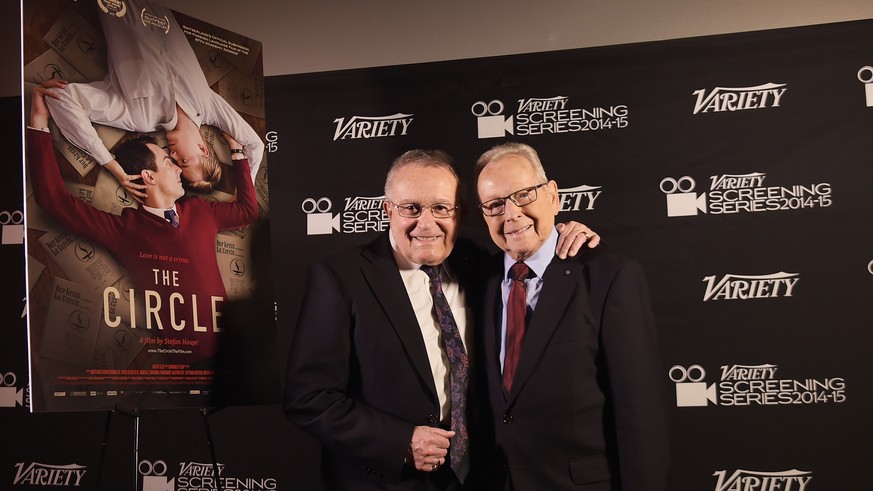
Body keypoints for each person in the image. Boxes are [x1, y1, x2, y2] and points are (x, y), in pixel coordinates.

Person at [283, 149, 599, 490]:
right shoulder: (340, 278)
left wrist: (562, 232)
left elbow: (532, 248)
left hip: (481, 479)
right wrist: (400, 441)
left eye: (441, 208)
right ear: (388, 210)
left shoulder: (478, 264)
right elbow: (308, 397)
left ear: (460, 214)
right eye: (411, 208)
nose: (426, 223)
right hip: (387, 482)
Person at [475, 142, 670, 491]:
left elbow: (641, 418)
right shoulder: (478, 279)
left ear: (553, 196)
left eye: (523, 195)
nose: (511, 214)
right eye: (495, 205)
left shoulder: (609, 276)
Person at [27, 83, 259, 362]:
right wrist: (39, 123)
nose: (177, 167)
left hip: (236, 349)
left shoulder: (201, 210)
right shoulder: (126, 231)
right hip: (188, 362)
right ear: (148, 177)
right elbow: (54, 200)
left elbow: (248, 211)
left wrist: (238, 152)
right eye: (167, 162)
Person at [44, 0, 264, 196]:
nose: (173, 156)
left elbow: (61, 99)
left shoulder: (139, 119)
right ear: (204, 150)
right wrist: (246, 195)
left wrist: (110, 164)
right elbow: (255, 144)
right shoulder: (208, 105)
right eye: (184, 161)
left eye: (175, 162)